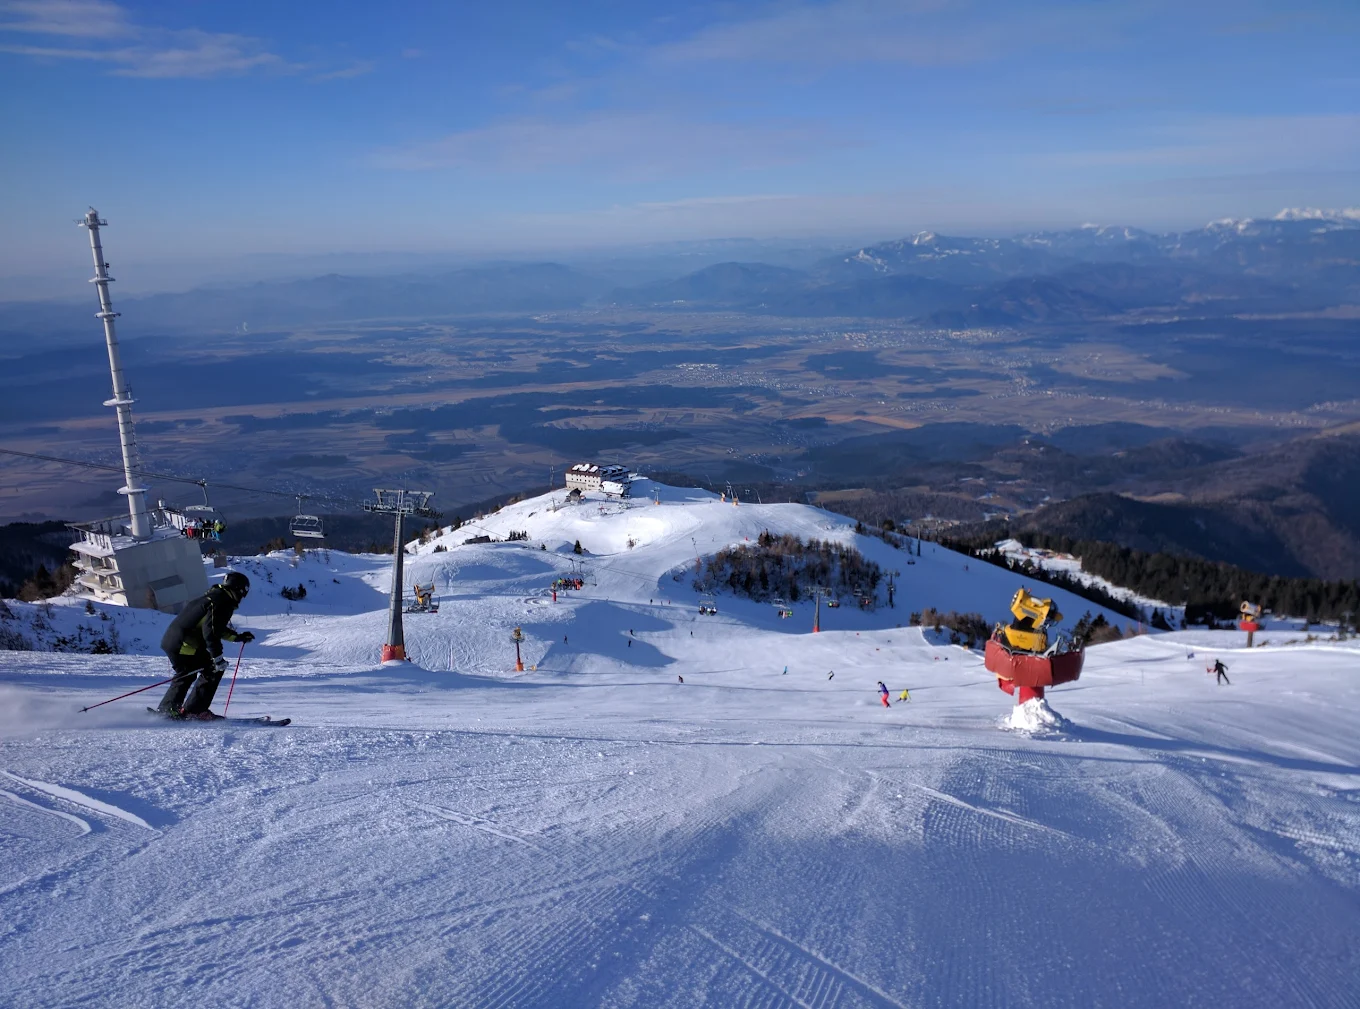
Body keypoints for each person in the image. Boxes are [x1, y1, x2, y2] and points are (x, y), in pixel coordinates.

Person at [156, 571, 255, 718]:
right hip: (184, 643)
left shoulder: (213, 597)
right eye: (243, 592)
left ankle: (169, 710)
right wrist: (217, 657)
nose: (243, 597)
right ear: (238, 589)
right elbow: (211, 632)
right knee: (212, 669)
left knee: (187, 674)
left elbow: (215, 627)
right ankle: (194, 711)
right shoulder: (222, 602)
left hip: (173, 641)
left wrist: (238, 637)